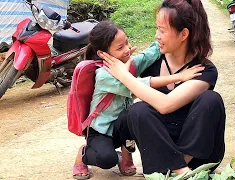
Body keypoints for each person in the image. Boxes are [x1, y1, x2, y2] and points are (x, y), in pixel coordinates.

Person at [99, 0, 226, 176]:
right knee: (137, 110)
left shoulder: (204, 70)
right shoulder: (151, 64)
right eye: (157, 29)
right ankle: (177, 170)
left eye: (163, 30)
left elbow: (166, 104)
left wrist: (124, 76)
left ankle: (178, 169)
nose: (157, 35)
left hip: (197, 158)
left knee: (211, 99)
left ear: (183, 34)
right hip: (160, 151)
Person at [72, 20, 205, 179]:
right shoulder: (104, 76)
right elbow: (140, 84)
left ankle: (126, 157)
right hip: (101, 131)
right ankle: (84, 152)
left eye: (127, 43)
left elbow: (149, 54)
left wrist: (169, 35)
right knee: (106, 159)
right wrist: (178, 77)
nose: (127, 49)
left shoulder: (129, 63)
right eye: (120, 48)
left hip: (121, 125)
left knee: (134, 114)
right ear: (102, 54)